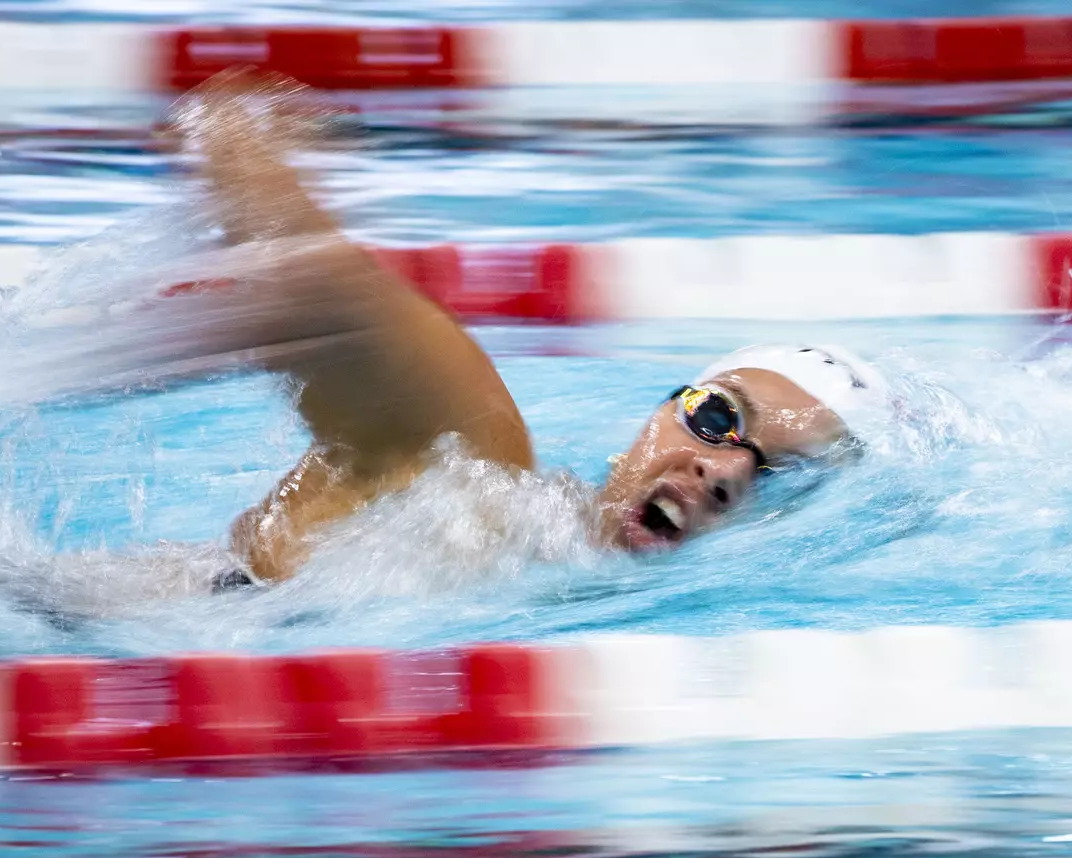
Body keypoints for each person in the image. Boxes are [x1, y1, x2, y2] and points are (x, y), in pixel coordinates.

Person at [169, 74, 891, 588]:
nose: (726, 469)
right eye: (717, 416)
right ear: (659, 413)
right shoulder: (479, 472)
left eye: (782, 477)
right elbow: (310, 271)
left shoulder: (569, 595)